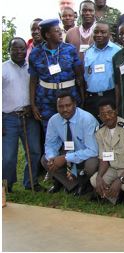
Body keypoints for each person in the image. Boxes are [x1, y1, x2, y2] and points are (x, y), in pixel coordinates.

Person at [29, 19, 84, 130]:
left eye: (60, 31)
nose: (60, 33)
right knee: (51, 130)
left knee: (73, 129)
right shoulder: (36, 53)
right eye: (56, 31)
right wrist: (33, 105)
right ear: (48, 35)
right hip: (46, 100)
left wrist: (82, 98)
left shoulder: (69, 49)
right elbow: (33, 81)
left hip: (69, 96)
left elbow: (79, 76)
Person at [3, 37, 42, 192]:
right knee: (8, 156)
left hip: (29, 116)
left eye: (22, 48)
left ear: (27, 50)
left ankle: (31, 182)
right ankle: (6, 186)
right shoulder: (3, 68)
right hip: (8, 118)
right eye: (15, 48)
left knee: (34, 151)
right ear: (9, 50)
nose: (19, 52)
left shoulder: (32, 68)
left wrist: (32, 107)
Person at [41, 92, 99, 196]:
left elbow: (93, 150)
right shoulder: (54, 120)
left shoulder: (87, 119)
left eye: (68, 105)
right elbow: (50, 144)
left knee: (91, 165)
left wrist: (65, 158)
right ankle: (74, 185)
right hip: (70, 151)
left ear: (75, 104)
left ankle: (85, 184)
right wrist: (52, 158)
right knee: (45, 160)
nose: (64, 110)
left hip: (88, 154)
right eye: (61, 106)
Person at [90, 99, 124, 206]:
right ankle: (115, 198)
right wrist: (99, 176)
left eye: (110, 112)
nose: (107, 117)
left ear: (116, 111)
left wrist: (120, 179)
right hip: (113, 168)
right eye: (103, 114)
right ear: (99, 116)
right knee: (94, 180)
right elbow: (104, 159)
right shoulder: (100, 131)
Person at [83, 22, 121, 120]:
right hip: (92, 98)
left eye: (103, 32)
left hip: (110, 96)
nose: (99, 35)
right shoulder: (88, 52)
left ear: (109, 34)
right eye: (96, 32)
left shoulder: (117, 51)